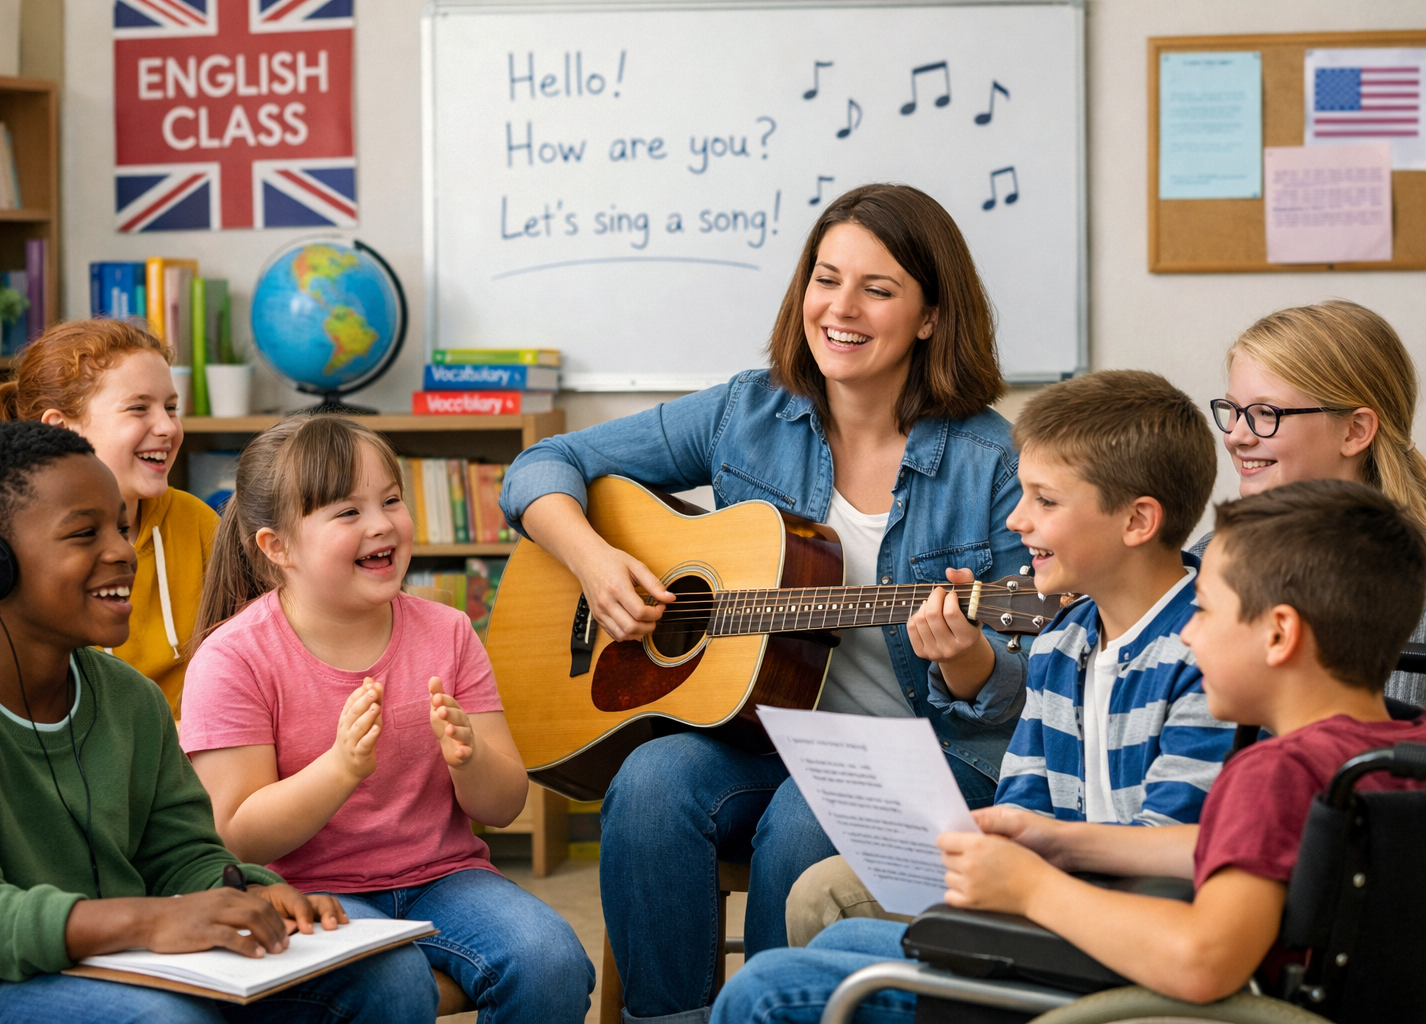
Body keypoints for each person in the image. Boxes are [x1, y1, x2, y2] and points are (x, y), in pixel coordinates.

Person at [499, 183, 1030, 1022]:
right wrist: (595, 562)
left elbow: (1022, 682)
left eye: (877, 289)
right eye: (826, 279)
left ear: (931, 316)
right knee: (648, 784)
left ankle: (774, 1010)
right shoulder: (747, 412)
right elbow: (542, 466)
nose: (840, 309)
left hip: (931, 750)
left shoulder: (991, 462)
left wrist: (967, 660)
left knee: (799, 826)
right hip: (765, 735)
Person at [712, 478, 1426, 1022]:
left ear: (1278, 634)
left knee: (768, 987)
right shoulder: (1385, 751)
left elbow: (1204, 960)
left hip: (1149, 1005)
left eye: (1206, 611)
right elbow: (1240, 849)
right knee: (840, 945)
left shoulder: (1272, 771)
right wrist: (1062, 840)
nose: (1188, 633)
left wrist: (1033, 888)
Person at [0, 420, 437, 1024]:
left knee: (391, 977)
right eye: (84, 533)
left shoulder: (130, 698)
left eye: (122, 529)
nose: (122, 552)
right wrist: (151, 921)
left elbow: (182, 854)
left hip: (119, 959)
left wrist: (253, 890)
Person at [784, 370, 1234, 946]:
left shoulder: (1209, 651)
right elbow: (1023, 800)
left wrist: (1027, 874)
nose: (1017, 520)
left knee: (800, 970)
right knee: (823, 893)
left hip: (1127, 921)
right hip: (1052, 885)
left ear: (1137, 521)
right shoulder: (1063, 640)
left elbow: (1173, 849)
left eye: (1045, 500)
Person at [180, 415, 594, 1023]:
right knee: (394, 981)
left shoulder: (450, 631)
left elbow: (504, 805)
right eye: (348, 511)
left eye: (392, 500)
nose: (381, 524)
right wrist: (340, 769)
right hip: (306, 893)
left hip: (445, 878)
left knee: (551, 961)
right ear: (277, 547)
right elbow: (237, 834)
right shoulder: (233, 658)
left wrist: (471, 759)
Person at [0, 318, 217, 713]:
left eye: (171, 407)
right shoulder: (11, 553)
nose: (167, 427)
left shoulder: (198, 522)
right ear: (60, 430)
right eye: (138, 408)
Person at [1201, 300, 1426, 706]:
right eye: (1233, 410)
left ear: (1354, 431)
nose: (1235, 436)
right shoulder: (1209, 559)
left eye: (1265, 413)